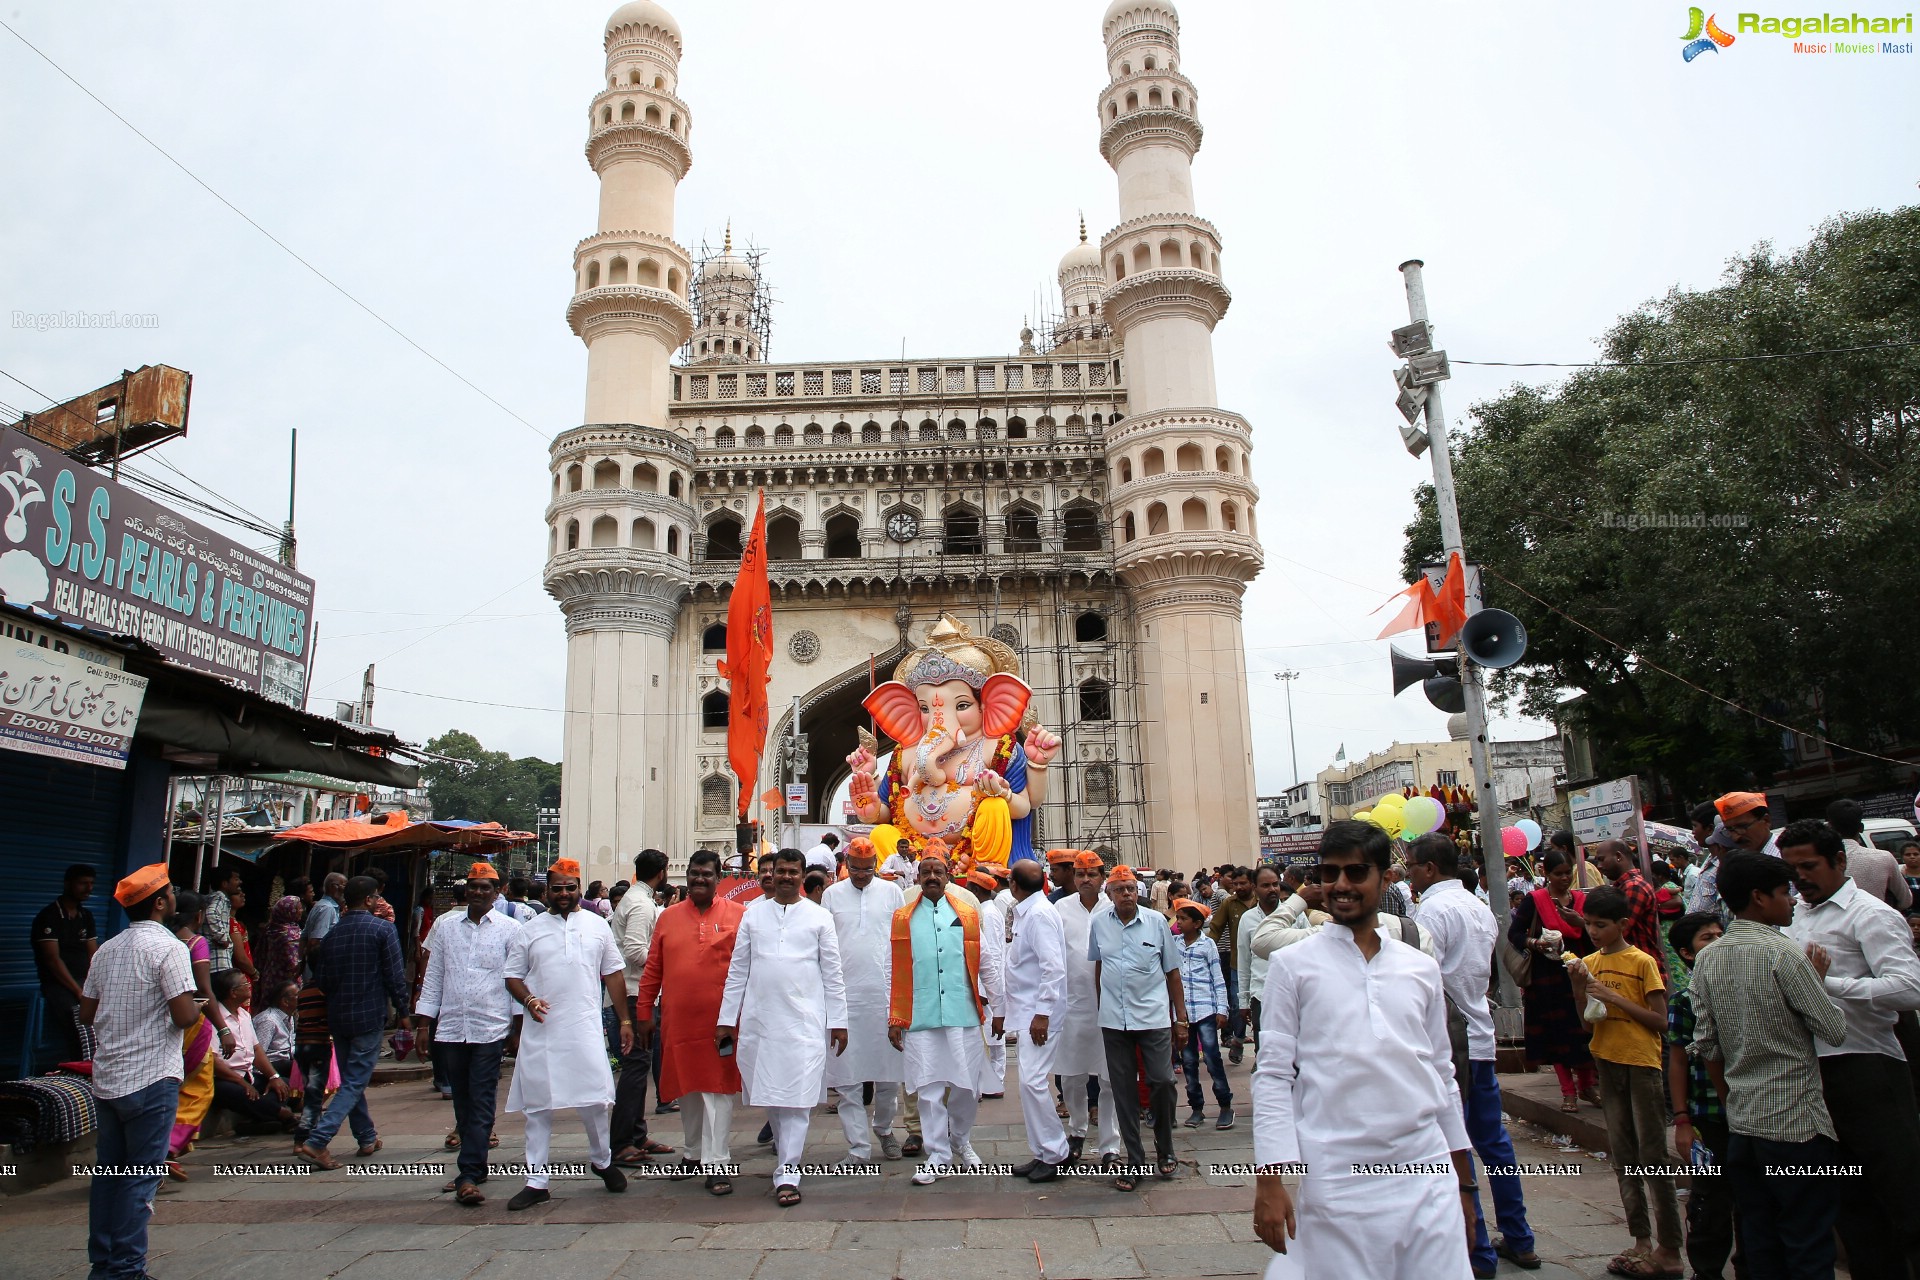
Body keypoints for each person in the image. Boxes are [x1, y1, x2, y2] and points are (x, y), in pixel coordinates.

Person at [1250, 821, 1477, 1279]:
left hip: (1425, 1171)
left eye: (1356, 873)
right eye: (1330, 874)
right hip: (1336, 1177)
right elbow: (1273, 1075)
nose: (1341, 886)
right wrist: (1269, 1181)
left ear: (1385, 878)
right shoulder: (1293, 966)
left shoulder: (1418, 968)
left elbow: (1441, 1073)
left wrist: (1464, 1186)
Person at [1689, 851, 1848, 1280]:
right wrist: (1817, 981)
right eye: (1784, 892)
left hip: (1744, 1124)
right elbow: (1833, 1029)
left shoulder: (1708, 957)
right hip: (1796, 1124)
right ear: (1759, 898)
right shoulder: (1786, 954)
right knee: (1808, 1236)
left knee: (1759, 1236)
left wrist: (1730, 1100)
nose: (1793, 900)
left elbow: (1707, 1045)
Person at [1778, 819, 1920, 1278]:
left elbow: (1908, 988)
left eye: (1809, 866)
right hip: (1815, 1072)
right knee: (1850, 1201)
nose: (1800, 877)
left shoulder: (1870, 914)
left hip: (1868, 1067)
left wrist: (1829, 985)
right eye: (1791, 868)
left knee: (1902, 1193)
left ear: (1840, 861)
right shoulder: (1795, 917)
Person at [1406, 832, 1539, 1276]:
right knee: (1494, 1144)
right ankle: (1519, 1237)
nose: (1407, 871)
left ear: (1427, 868)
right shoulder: (1480, 908)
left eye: (1411, 864)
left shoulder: (1431, 911)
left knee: (1456, 1147)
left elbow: (1423, 978)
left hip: (1450, 1043)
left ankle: (1477, 1248)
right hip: (1480, 1035)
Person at [79, 864, 199, 1280]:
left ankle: (104, 1265)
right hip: (152, 1077)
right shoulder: (170, 948)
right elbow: (183, 1016)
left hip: (110, 1079)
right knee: (139, 1178)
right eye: (168, 893)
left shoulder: (107, 949)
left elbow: (87, 1011)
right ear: (161, 903)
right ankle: (127, 1269)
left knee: (109, 1176)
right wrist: (198, 1007)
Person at [718, 845, 847, 1206]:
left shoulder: (819, 917)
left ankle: (788, 1171)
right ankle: (784, 1158)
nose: (786, 876)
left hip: (804, 1022)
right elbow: (737, 971)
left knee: (799, 1097)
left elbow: (833, 974)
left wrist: (839, 1021)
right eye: (780, 871)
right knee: (773, 1096)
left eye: (793, 871)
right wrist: (727, 1020)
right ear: (770, 875)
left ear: (803, 876)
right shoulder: (752, 916)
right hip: (761, 1021)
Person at [502, 858, 630, 1209]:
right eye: (556, 888)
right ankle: (536, 1180)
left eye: (569, 888)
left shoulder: (597, 926)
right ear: (547, 891)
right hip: (543, 1030)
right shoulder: (529, 930)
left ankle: (602, 1161)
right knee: (538, 1106)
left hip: (584, 1027)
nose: (563, 894)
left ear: (578, 888)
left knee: (595, 1102)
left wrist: (625, 1021)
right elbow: (512, 975)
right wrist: (528, 999)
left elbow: (614, 975)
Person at [1567, 885, 1681, 1280]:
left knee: (1653, 1157)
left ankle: (1670, 1247)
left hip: (1641, 1063)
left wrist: (1613, 999)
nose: (1594, 931)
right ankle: (1640, 1240)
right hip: (1607, 1059)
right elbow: (1586, 1022)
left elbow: (1660, 1022)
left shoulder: (1641, 962)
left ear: (1623, 924)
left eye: (1601, 925)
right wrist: (1580, 987)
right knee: (1624, 1156)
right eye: (1588, 924)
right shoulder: (1589, 962)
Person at [886, 848, 999, 1186]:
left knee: (967, 1087)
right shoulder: (903, 917)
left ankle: (961, 1141)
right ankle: (938, 1156)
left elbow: (987, 961)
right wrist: (893, 1016)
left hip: (962, 1014)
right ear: (917, 877)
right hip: (920, 1015)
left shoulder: (966, 913)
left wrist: (1000, 1007)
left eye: (938, 871)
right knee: (929, 1088)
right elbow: (890, 969)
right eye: (926, 871)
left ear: (949, 875)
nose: (932, 877)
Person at [638, 850, 746, 1195]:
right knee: (687, 1089)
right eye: (694, 874)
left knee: (718, 1090)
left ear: (718, 879)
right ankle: (693, 1152)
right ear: (686, 877)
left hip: (723, 1023)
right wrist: (644, 1012)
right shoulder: (667, 918)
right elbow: (653, 967)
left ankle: (718, 1162)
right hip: (679, 1020)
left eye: (707, 875)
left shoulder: (739, 915)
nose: (700, 879)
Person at [416, 862, 523, 1206]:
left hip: (490, 1025)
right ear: (467, 889)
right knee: (461, 1096)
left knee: (480, 1096)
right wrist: (423, 1023)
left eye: (486, 887)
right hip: (451, 1026)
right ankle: (473, 1161)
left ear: (497, 892)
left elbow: (516, 977)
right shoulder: (445, 927)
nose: (478, 892)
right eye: (474, 886)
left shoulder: (510, 929)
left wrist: (517, 1027)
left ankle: (469, 1171)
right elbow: (434, 976)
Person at [294, 876, 409, 1170]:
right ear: (370, 900)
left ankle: (366, 1136)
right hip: (368, 1014)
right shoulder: (383, 929)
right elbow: (395, 976)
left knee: (350, 1080)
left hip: (338, 1014)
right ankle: (318, 1140)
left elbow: (324, 978)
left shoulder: (333, 934)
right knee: (355, 1080)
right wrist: (404, 1011)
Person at [1086, 864, 1186, 1192]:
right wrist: (1103, 1006)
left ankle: (1165, 1146)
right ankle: (1135, 1159)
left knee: (1162, 1081)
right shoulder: (1099, 923)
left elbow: (1172, 972)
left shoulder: (1157, 922)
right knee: (1123, 1091)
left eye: (1131, 888)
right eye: (1120, 889)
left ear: (1138, 890)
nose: (1127, 894)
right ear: (1109, 894)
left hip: (1154, 1018)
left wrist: (1180, 1019)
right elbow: (1100, 966)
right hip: (1114, 1020)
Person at [822, 837, 908, 1167]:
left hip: (884, 998)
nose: (861, 875)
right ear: (846, 864)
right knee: (847, 1080)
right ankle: (857, 1148)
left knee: (888, 1077)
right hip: (845, 1000)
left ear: (876, 866)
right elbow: (825, 950)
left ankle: (884, 1129)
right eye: (855, 869)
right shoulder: (832, 895)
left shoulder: (892, 893)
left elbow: (901, 945)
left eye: (867, 869)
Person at [1666, 911, 1741, 1280]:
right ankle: (1707, 1270)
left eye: (1719, 934)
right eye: (1706, 939)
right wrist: (1682, 1119)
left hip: (1750, 1112)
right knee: (1709, 1199)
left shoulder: (1745, 990)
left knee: (1752, 1199)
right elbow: (1677, 1062)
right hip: (1707, 1115)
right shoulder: (1684, 1002)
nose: (1717, 941)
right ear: (1687, 953)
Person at [1506, 847, 1596, 1112]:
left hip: (1577, 975)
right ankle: (1568, 1091)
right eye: (1559, 874)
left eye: (1568, 873)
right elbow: (1515, 934)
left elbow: (1594, 937)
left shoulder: (1580, 902)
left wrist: (1579, 923)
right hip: (1547, 979)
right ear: (1547, 874)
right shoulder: (1535, 900)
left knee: (1583, 1033)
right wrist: (1536, 943)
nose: (1564, 878)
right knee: (1557, 1037)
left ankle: (1587, 1085)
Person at [999, 859, 1071, 1181]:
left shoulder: (1039, 914)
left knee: (1033, 1081)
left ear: (1014, 886)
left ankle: (1056, 1153)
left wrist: (1042, 1013)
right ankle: (1042, 1151)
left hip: (1039, 1014)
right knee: (1028, 1083)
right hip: (1028, 1011)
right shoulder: (1027, 911)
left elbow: (1053, 968)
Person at [1055, 849, 1122, 1168]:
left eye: (1091, 874)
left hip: (1111, 1007)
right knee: (1071, 1076)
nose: (1085, 879)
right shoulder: (1060, 909)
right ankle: (1077, 1132)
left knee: (1110, 1079)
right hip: (1072, 1005)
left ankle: (1110, 1144)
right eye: (1080, 874)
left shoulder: (1115, 909)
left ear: (1102, 878)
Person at [166, 891, 235, 1172]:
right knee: (199, 1089)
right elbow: (204, 990)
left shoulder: (166, 940)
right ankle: (168, 1147)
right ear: (199, 916)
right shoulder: (197, 944)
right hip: (192, 1019)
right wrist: (223, 1028)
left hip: (165, 1021)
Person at [610, 848, 669, 1168]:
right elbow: (634, 950)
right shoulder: (642, 904)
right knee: (635, 1068)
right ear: (661, 873)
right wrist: (666, 964)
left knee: (639, 1066)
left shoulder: (636, 900)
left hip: (640, 991)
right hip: (636, 994)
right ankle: (621, 1142)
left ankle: (636, 1134)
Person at [1173, 900, 1234, 1130]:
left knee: (1211, 1058)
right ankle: (1196, 1108)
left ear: (1197, 924)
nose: (1178, 923)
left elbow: (1218, 979)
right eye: (1178, 918)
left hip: (1206, 1010)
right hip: (1184, 1014)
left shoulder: (1208, 945)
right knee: (1188, 1061)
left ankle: (1225, 1105)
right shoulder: (1174, 944)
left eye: (1183, 919)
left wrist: (1222, 1009)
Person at [208, 970, 293, 1130]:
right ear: (233, 992)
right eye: (245, 984)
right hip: (226, 1079)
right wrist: (242, 1083)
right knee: (238, 1093)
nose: (249, 987)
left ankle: (259, 1121)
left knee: (284, 1083)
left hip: (248, 1075)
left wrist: (273, 1076)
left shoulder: (244, 1015)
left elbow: (257, 1049)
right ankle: (283, 1115)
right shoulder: (215, 1019)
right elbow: (213, 1062)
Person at [32, 863, 98, 1061]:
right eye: (82, 883)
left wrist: (95, 985)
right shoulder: (48, 916)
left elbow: (93, 954)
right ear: (68, 884)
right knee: (77, 1021)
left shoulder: (86, 916)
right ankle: (78, 1068)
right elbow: (52, 960)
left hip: (83, 982)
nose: (89, 888)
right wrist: (79, 992)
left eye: (91, 883)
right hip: (58, 985)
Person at [1590, 839, 1667, 982]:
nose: (1599, 866)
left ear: (1618, 856)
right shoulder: (1623, 886)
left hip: (1640, 972)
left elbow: (1618, 931)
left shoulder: (1633, 887)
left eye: (1602, 859)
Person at [965, 868, 1010, 1100]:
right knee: (987, 1036)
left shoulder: (988, 914)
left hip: (987, 988)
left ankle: (996, 1081)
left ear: (974, 890)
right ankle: (986, 1082)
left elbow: (990, 953)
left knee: (994, 1038)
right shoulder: (982, 910)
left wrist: (984, 991)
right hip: (984, 987)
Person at [1825, 799, 1913, 911]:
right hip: (1877, 922)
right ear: (1861, 828)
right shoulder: (1884, 858)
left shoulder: (1819, 861)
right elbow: (1906, 901)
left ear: (1829, 827)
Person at [1208, 867, 1255, 1063]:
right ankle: (1238, 1037)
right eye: (1235, 884)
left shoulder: (1262, 903)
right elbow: (1215, 929)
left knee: (1263, 1006)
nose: (1238, 888)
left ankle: (1262, 1050)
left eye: (1242, 883)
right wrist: (1203, 951)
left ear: (1252, 883)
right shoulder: (1229, 903)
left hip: (1266, 964)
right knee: (1238, 1005)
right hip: (1239, 964)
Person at [1237, 866, 1284, 1057]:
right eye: (1266, 885)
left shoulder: (1295, 916)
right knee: (1265, 1054)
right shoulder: (1248, 919)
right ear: (1255, 888)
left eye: (1275, 884)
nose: (1272, 889)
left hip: (1293, 994)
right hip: (1261, 995)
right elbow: (1244, 961)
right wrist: (1243, 1001)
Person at [254, 895, 305, 1015]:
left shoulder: (273, 929)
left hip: (270, 978)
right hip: (284, 982)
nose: (301, 911)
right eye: (298, 908)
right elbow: (293, 964)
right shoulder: (285, 934)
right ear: (289, 911)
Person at [302, 872, 345, 980]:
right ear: (333, 887)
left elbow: (304, 936)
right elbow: (315, 942)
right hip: (319, 969)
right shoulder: (327, 908)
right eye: (344, 886)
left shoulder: (321, 905)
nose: (345, 891)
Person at [254, 980, 297, 1079]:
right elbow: (258, 1054)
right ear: (285, 1002)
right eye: (297, 995)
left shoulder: (289, 1016)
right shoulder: (268, 1020)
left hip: (286, 1061)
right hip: (270, 1064)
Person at [1715, 792, 1778, 857]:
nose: (1735, 838)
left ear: (1766, 820)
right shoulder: (1739, 861)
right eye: (1729, 830)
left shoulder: (1786, 858)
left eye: (1741, 827)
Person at [203, 865, 239, 974]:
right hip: (219, 962)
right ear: (224, 884)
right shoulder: (220, 897)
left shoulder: (212, 897)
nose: (239, 882)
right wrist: (223, 938)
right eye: (236, 879)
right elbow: (211, 913)